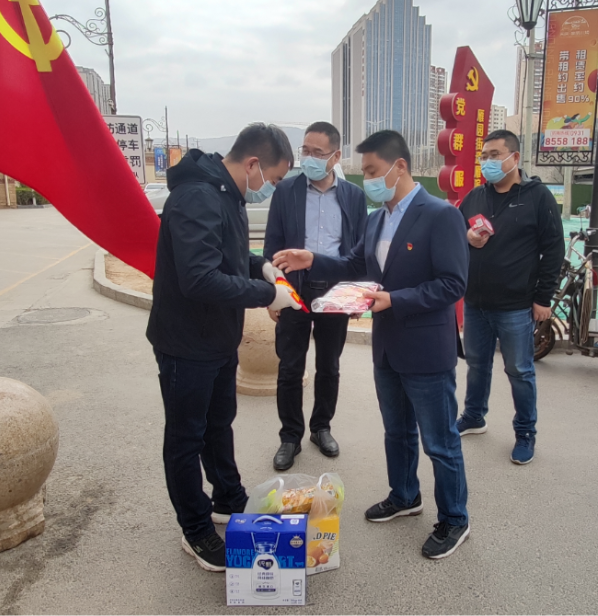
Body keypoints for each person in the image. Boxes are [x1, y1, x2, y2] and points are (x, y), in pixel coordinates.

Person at [273, 130, 471, 560]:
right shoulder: (378, 218)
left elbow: (453, 284)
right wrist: (313, 259)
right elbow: (354, 263)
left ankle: (455, 518)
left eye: (372, 171)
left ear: (400, 166)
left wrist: (394, 300)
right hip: (387, 347)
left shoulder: (440, 215)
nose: (367, 180)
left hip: (425, 348)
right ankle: (404, 495)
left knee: (439, 442)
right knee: (397, 431)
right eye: (363, 172)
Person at [146, 123, 302, 572]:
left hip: (216, 339)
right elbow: (199, 278)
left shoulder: (226, 194)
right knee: (186, 437)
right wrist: (266, 294)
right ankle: (195, 529)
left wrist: (261, 267)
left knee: (218, 425)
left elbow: (228, 256)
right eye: (273, 179)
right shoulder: (197, 197)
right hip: (186, 342)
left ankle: (228, 498)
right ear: (253, 164)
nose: (270, 189)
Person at [456, 130, 564, 465]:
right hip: (476, 302)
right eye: (484, 156)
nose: (487, 162)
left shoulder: (538, 197)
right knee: (477, 365)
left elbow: (554, 250)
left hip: (516, 306)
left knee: (519, 370)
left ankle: (525, 432)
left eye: (495, 155)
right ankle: (474, 416)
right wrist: (467, 237)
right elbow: (455, 234)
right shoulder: (475, 196)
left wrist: (543, 298)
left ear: (514, 158)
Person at [264, 122, 368, 469]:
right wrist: (274, 293)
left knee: (329, 366)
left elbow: (359, 250)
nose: (308, 158)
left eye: (317, 153)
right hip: (294, 290)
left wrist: (357, 294)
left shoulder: (353, 196)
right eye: (305, 150)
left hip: (335, 292)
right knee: (290, 367)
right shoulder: (287, 191)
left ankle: (321, 427)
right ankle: (290, 436)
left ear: (335, 156)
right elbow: (272, 245)